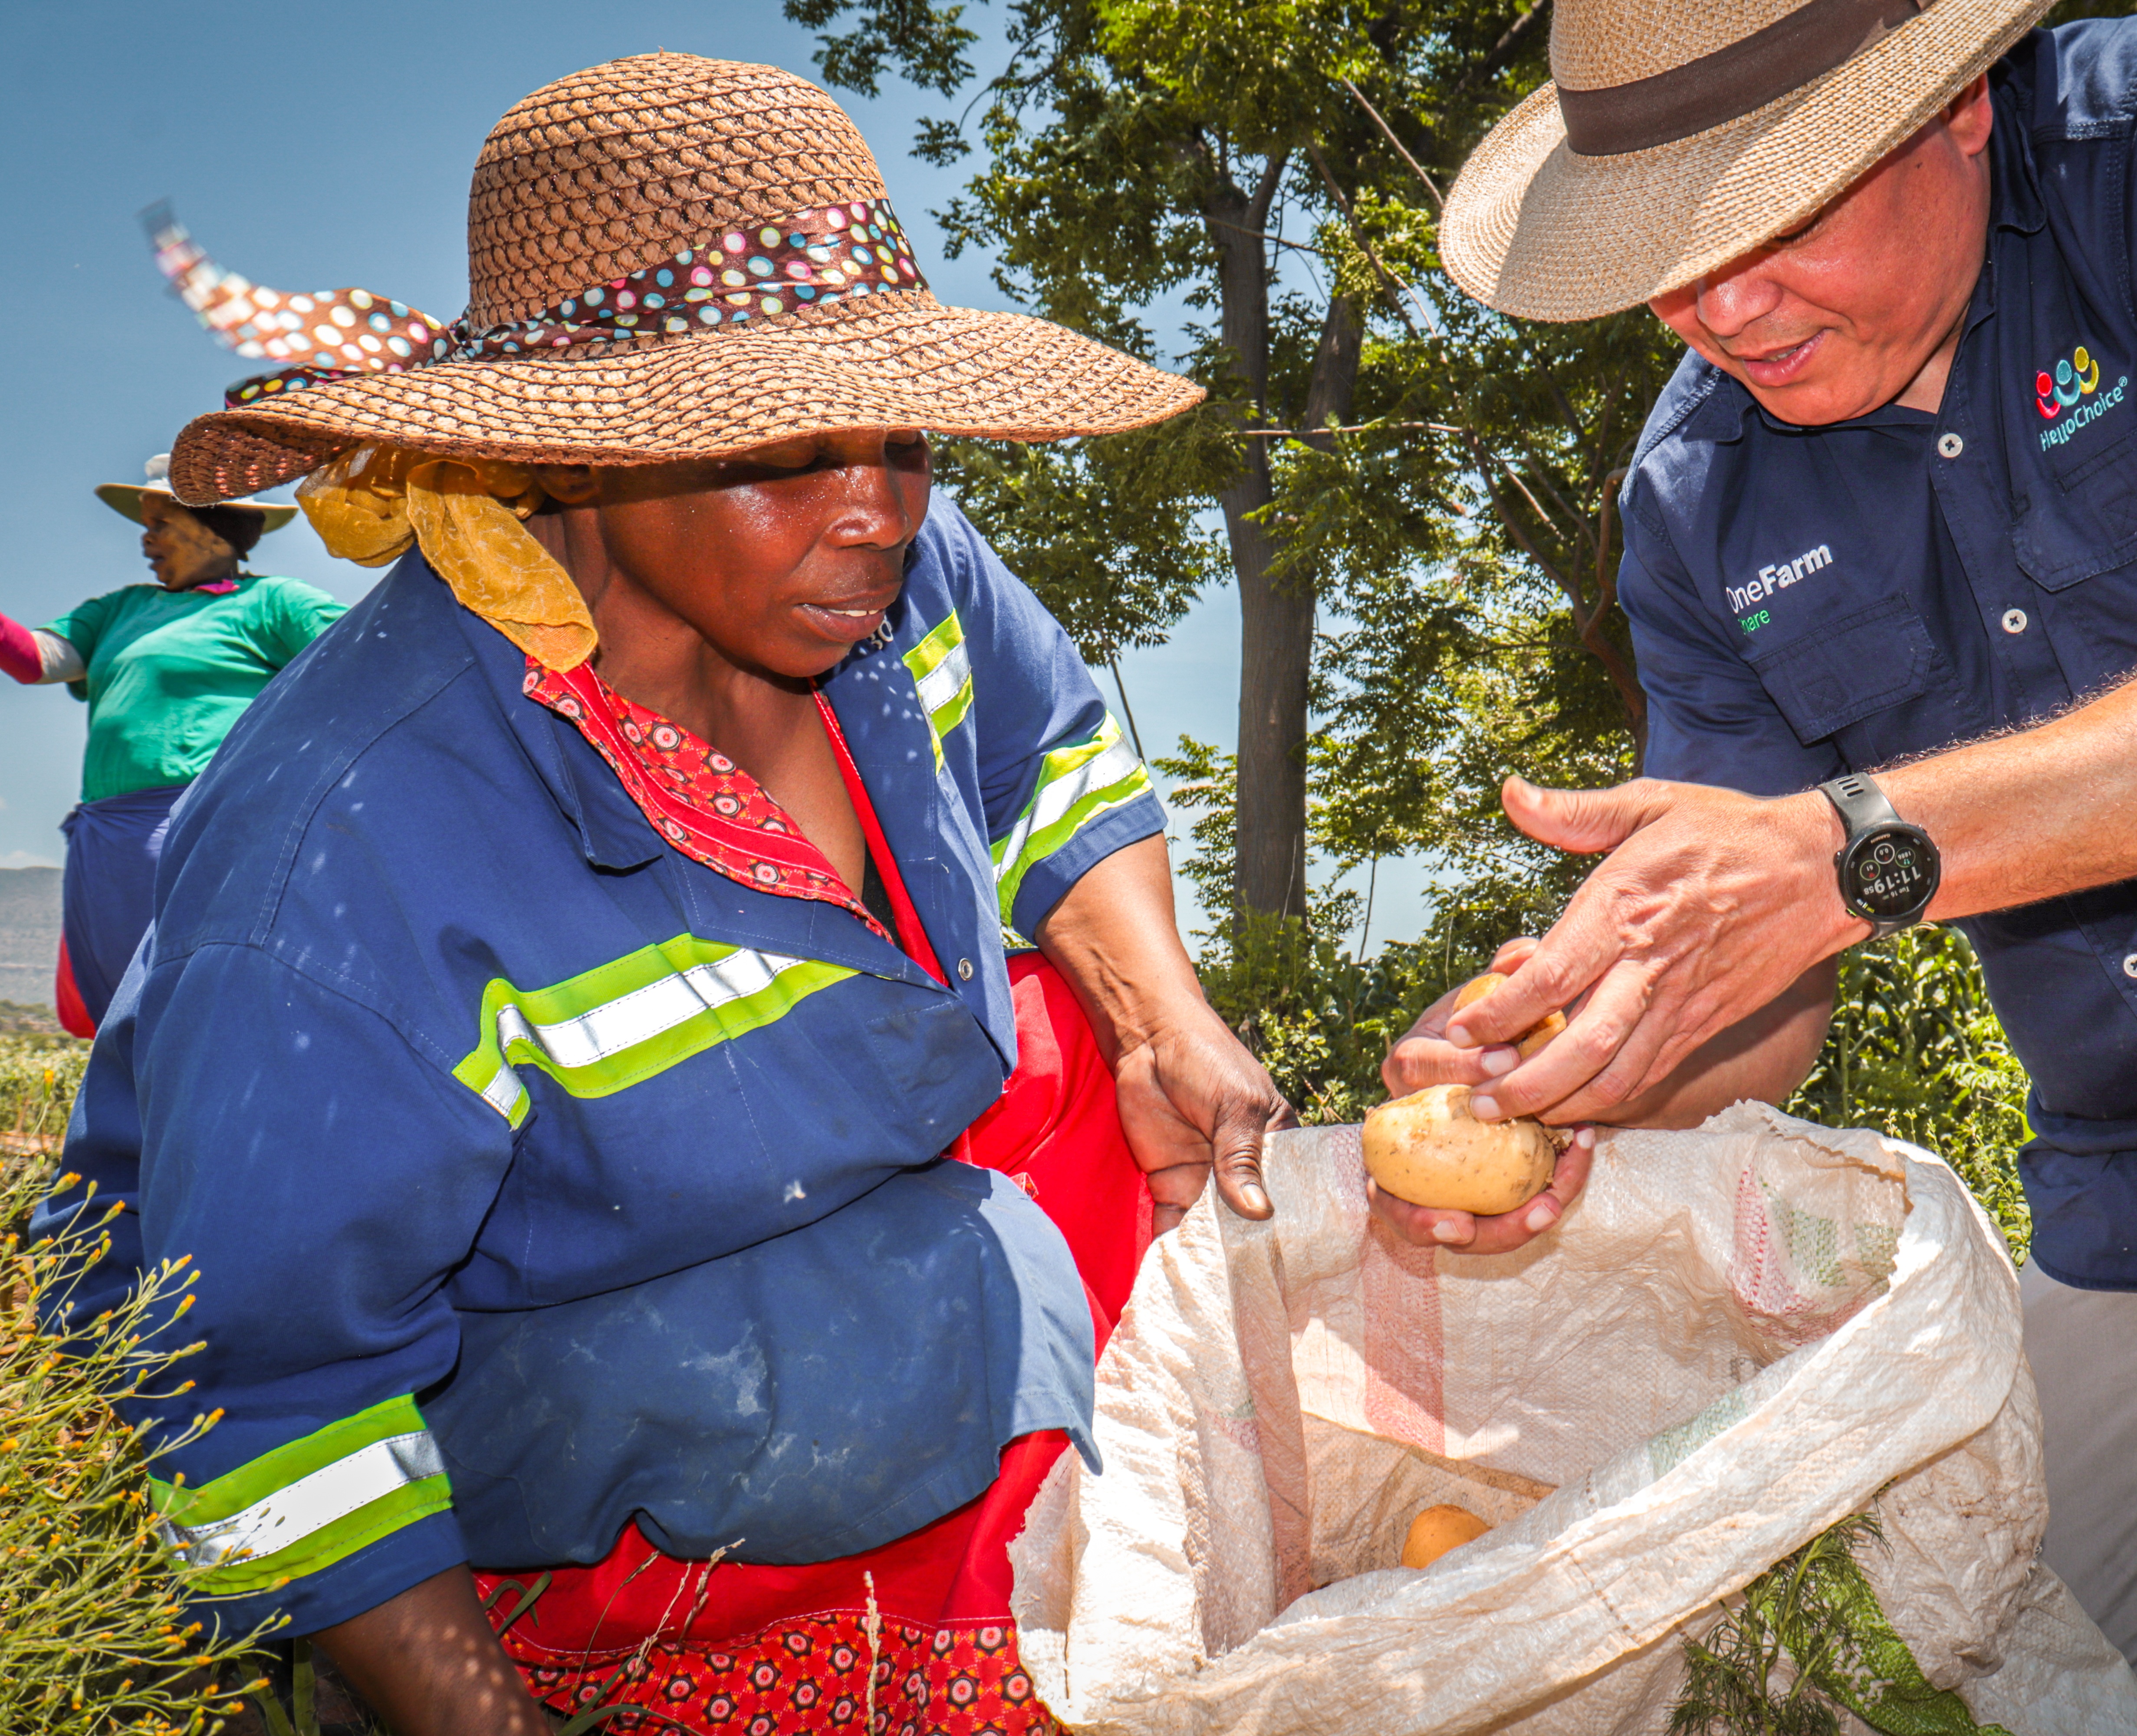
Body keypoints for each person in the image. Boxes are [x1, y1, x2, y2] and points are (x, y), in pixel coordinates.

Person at [1381, 1, 2137, 1732]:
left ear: (1955, 101)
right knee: (2013, 1690)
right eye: (1669, 258)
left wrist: (1863, 843)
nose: (1721, 313)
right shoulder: (1698, 496)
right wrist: (1575, 1057)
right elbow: (1753, 972)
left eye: (1770, 220)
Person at [40, 52, 1288, 1736]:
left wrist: (1166, 1017)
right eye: (783, 449)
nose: (875, 509)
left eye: (899, 437)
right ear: (582, 465)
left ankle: (1007, 1518)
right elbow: (267, 1384)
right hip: (500, 1341)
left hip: (773, 1155)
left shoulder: (886, 581)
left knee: (1070, 1036)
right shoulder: (343, 853)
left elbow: (1056, 755)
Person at [0, 457, 340, 1034]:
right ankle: (134, 1121)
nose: (145, 537)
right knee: (121, 1011)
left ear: (213, 526)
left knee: (199, 1002)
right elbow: (36, 661)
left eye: (160, 521)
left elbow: (368, 657)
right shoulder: (119, 610)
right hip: (111, 837)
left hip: (207, 822)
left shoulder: (274, 603)